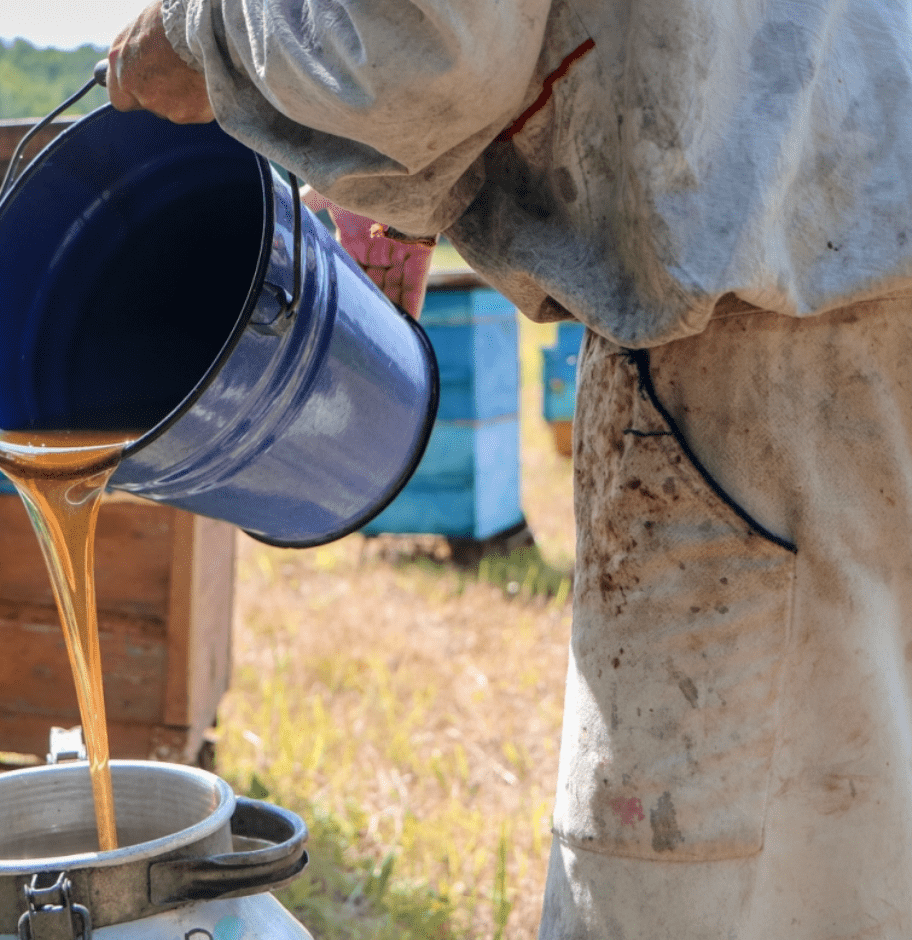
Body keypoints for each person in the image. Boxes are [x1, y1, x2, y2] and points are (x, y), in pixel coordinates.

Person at [105, 1, 912, 937]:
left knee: (694, 898)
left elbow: (422, 43)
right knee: (855, 849)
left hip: (751, 350)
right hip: (844, 263)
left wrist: (197, 36)